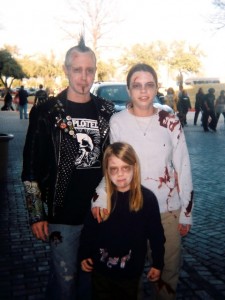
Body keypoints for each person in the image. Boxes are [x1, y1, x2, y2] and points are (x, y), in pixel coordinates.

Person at [21, 35, 115, 300]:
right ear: (66, 70)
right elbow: (30, 167)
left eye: (89, 70)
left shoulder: (106, 111)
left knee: (91, 282)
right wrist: (36, 214)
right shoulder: (47, 112)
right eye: (77, 70)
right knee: (65, 282)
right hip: (62, 215)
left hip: (99, 214)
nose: (84, 77)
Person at [92, 63, 194, 300]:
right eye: (137, 85)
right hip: (131, 211)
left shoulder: (169, 120)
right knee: (130, 277)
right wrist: (101, 197)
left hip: (167, 210)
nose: (144, 91)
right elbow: (112, 166)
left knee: (167, 275)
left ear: (157, 87)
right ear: (129, 89)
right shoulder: (118, 121)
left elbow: (183, 165)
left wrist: (186, 212)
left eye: (149, 85)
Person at [79, 142, 165, 300]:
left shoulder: (147, 199)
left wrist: (158, 263)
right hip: (101, 272)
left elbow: (156, 235)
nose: (120, 174)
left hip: (130, 274)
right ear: (107, 170)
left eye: (125, 168)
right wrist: (84, 253)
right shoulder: (100, 200)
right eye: (114, 169)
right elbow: (89, 229)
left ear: (135, 167)